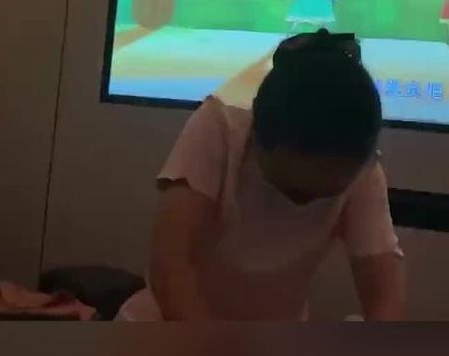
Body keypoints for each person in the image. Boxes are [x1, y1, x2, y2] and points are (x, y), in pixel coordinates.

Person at [130, 30, 406, 321]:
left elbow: (383, 286)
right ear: (257, 138)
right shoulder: (221, 128)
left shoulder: (361, 166)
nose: (306, 203)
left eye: (327, 194)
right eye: (294, 190)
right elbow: (170, 262)